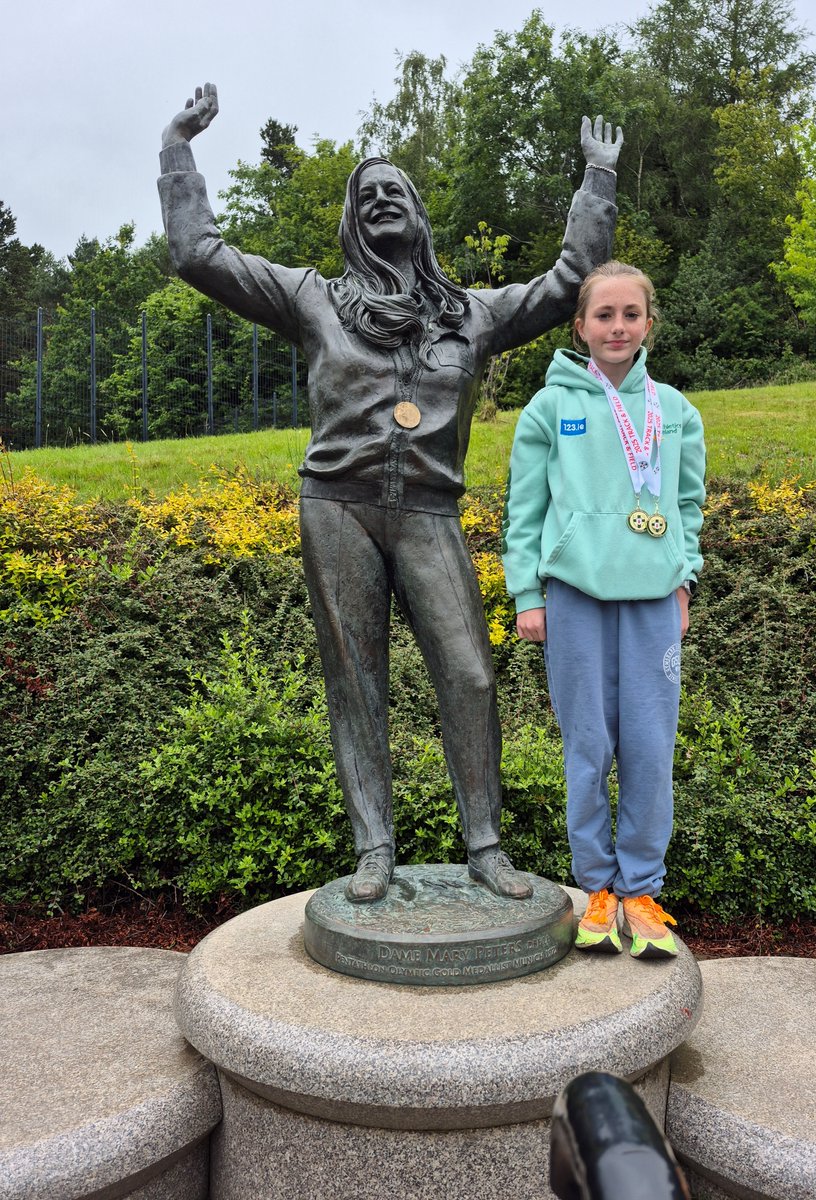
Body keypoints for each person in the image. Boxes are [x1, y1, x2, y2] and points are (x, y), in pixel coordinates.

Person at [157, 84, 624, 903]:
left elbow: (569, 281)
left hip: (430, 512)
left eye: (395, 192)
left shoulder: (471, 316)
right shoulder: (313, 299)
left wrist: (596, 181)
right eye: (365, 195)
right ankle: (375, 847)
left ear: (417, 216)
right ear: (351, 222)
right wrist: (178, 148)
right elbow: (201, 255)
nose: (380, 201)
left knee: (470, 675)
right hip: (337, 503)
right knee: (356, 678)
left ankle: (486, 846)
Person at [501, 262, 705, 956]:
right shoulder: (547, 409)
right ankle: (596, 889)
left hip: (653, 602)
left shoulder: (675, 411)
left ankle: (642, 892)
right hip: (576, 601)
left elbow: (686, 507)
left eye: (630, 314)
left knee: (650, 750)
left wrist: (684, 582)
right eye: (603, 315)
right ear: (580, 325)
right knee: (588, 749)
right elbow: (523, 513)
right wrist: (528, 594)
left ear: (648, 323)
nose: (617, 327)